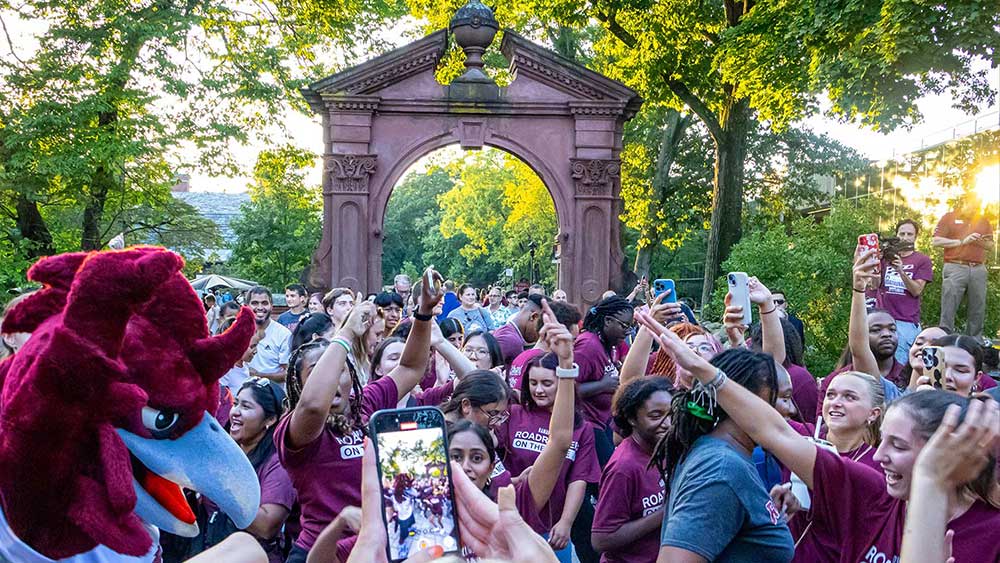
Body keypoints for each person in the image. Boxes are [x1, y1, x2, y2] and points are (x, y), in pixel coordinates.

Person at [643, 311, 1000, 563]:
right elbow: (774, 429)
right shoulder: (873, 493)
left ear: (954, 450)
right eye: (884, 441)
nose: (878, 457)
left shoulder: (990, 531)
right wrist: (706, 371)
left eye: (899, 445)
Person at [275, 271, 443, 562]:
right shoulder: (297, 427)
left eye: (340, 371)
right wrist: (345, 334)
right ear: (300, 385)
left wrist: (424, 313)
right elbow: (314, 405)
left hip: (381, 547)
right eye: (314, 373)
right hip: (321, 552)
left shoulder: (365, 404)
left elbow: (412, 368)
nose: (332, 381)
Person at [652, 346, 794, 563]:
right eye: (784, 397)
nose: (791, 409)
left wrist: (764, 515)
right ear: (744, 400)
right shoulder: (721, 469)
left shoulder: (728, 455)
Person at [496, 350, 600, 562]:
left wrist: (566, 522)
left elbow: (578, 479)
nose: (539, 390)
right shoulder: (514, 414)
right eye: (533, 383)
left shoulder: (581, 428)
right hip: (511, 520)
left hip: (550, 530)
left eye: (547, 383)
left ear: (564, 384)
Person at [190, 377, 295, 562]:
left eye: (246, 407)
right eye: (236, 403)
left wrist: (218, 485)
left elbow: (266, 526)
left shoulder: (278, 464)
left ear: (270, 419)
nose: (235, 412)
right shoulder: (225, 454)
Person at [899, 400, 999, 563]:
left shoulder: (992, 528)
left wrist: (930, 478)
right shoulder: (885, 499)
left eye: (899, 446)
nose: (878, 456)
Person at [591, 378, 673, 563]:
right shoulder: (624, 467)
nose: (667, 423)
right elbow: (601, 539)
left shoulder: (664, 449)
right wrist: (665, 512)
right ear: (631, 418)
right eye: (655, 415)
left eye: (671, 414)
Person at [864, 220, 934, 365]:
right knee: (880, 362)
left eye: (910, 234)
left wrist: (901, 271)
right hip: (884, 318)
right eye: (902, 233)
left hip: (906, 321)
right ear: (896, 235)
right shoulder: (887, 258)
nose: (905, 237)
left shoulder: (922, 260)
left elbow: (916, 290)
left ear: (915, 237)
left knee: (900, 364)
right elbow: (874, 285)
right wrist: (876, 263)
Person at [574, 296, 634, 465]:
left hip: (603, 421)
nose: (627, 331)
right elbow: (566, 389)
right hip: (588, 425)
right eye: (624, 326)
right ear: (607, 321)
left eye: (630, 327)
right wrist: (603, 385)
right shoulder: (587, 346)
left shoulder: (607, 344)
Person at [932, 192, 994, 337]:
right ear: (964, 202)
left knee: (978, 308)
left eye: (977, 204)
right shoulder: (949, 218)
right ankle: (945, 338)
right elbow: (936, 241)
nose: (975, 207)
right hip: (955, 266)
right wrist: (962, 241)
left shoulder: (983, 220)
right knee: (949, 306)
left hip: (978, 268)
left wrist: (978, 240)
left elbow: (991, 245)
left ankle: (974, 343)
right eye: (972, 204)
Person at [246, 286, 292, 385]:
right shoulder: (237, 332)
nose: (260, 307)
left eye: (264, 303)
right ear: (246, 306)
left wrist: (259, 375)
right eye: (254, 303)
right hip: (241, 395)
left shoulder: (283, 334)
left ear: (271, 306)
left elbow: (288, 373)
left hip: (272, 396)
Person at [492, 293, 543, 371]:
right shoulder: (510, 340)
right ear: (534, 317)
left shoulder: (508, 334)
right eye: (541, 327)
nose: (540, 335)